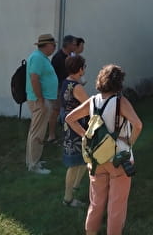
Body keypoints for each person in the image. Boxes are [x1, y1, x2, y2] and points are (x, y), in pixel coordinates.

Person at [66, 64, 143, 235]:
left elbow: (70, 118)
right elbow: (138, 125)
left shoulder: (92, 101)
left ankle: (91, 232)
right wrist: (129, 142)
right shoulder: (120, 102)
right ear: (119, 82)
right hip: (119, 158)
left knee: (96, 201)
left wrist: (85, 135)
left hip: (97, 158)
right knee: (117, 204)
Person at [25, 33, 58, 175]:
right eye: (53, 45)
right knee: (37, 133)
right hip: (40, 100)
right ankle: (34, 165)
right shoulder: (38, 58)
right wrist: (40, 99)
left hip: (43, 99)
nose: (55, 47)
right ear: (47, 45)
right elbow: (34, 79)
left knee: (36, 131)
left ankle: (33, 160)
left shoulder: (41, 58)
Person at [61, 55, 89, 207]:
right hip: (77, 126)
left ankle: (76, 187)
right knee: (74, 163)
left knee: (83, 159)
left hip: (68, 124)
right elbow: (90, 105)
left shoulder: (66, 82)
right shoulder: (77, 87)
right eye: (84, 66)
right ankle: (68, 198)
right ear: (80, 69)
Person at [48, 35, 77, 142]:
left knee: (68, 112)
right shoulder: (58, 57)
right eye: (74, 44)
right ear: (68, 45)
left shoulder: (72, 56)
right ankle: (51, 135)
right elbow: (52, 75)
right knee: (55, 111)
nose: (75, 46)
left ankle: (67, 135)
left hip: (69, 88)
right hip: (58, 88)